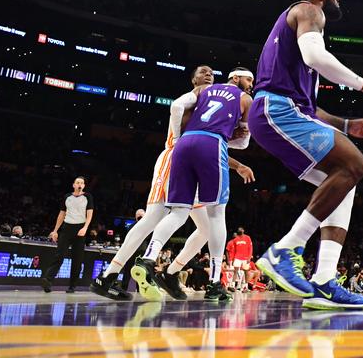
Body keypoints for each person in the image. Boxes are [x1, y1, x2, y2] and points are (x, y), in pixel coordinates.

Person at [250, 0, 363, 310]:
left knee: (346, 182)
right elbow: (316, 58)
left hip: (281, 112)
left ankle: (324, 281)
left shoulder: (298, 40)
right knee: (355, 164)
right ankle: (286, 250)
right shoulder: (309, 11)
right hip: (275, 110)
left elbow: (309, 108)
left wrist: (347, 124)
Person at [91, 65, 255, 301]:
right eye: (203, 72)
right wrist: (179, 141)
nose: (208, 75)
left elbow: (208, 141)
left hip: (190, 153)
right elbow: (190, 120)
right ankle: (111, 274)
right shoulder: (197, 96)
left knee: (205, 228)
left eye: (211, 73)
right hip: (174, 155)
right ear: (193, 80)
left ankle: (170, 272)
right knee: (155, 218)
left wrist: (236, 163)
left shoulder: (204, 98)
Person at [41, 176, 94, 293]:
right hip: (67, 227)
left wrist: (85, 227)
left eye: (82, 183)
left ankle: (72, 286)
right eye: (77, 182)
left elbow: (90, 214)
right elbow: (61, 214)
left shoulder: (87, 197)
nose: (79, 184)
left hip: (80, 228)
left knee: (77, 258)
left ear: (84, 186)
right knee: (59, 255)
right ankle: (48, 280)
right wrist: (55, 230)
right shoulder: (67, 197)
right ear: (73, 185)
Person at [225, 226, 255, 291]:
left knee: (246, 272)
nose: (240, 229)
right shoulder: (235, 239)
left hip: (245, 258)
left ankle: (245, 287)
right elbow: (234, 251)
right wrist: (232, 259)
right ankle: (232, 286)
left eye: (241, 228)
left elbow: (250, 248)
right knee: (235, 271)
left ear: (243, 230)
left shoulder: (247, 238)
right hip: (237, 258)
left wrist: (249, 257)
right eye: (239, 229)